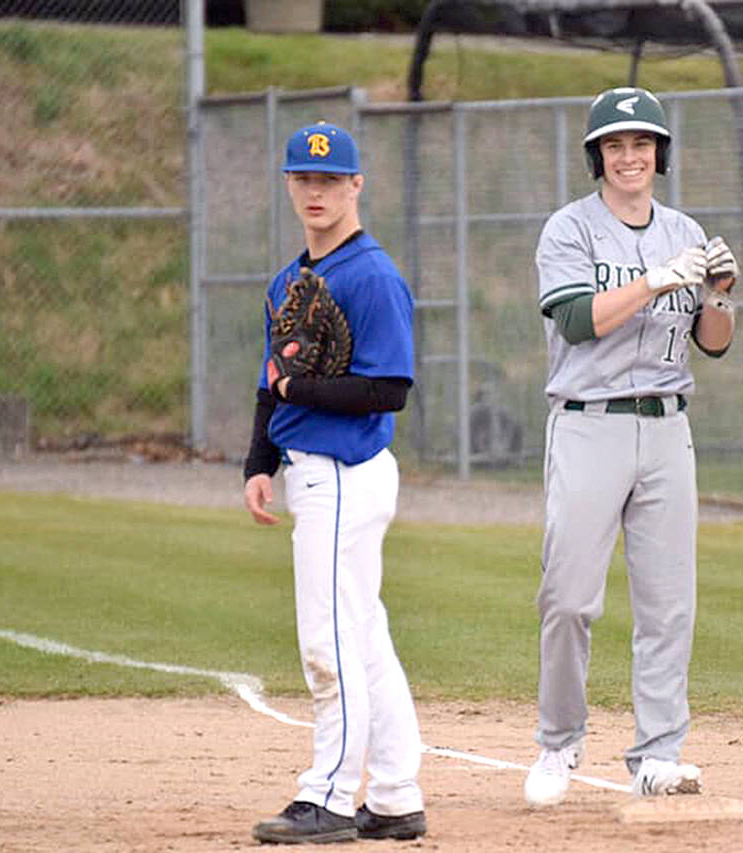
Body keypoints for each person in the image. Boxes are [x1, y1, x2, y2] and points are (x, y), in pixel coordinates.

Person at [524, 86, 739, 807]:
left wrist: (719, 294)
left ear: (660, 153)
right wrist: (654, 281)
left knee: (668, 602)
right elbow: (581, 320)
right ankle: (558, 742)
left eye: (641, 144)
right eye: (615, 145)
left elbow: (712, 344)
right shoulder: (569, 229)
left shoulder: (686, 227)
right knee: (568, 597)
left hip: (667, 425)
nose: (629, 157)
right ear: (597, 156)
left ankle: (658, 753)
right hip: (590, 421)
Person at [242, 122, 426, 843]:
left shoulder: (372, 276)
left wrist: (298, 385)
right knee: (364, 637)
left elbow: (388, 390)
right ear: (290, 185)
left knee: (329, 643)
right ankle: (395, 794)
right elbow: (270, 381)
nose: (315, 191)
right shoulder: (289, 281)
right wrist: (259, 461)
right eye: (303, 178)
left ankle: (328, 795)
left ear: (356, 184)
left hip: (346, 472)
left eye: (330, 179)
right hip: (311, 471)